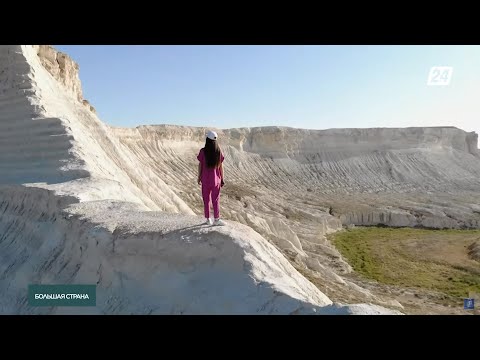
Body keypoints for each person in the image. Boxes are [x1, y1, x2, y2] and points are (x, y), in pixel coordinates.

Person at [197, 130, 226, 226]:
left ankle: (208, 219)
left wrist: (199, 177)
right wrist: (222, 178)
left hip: (205, 180)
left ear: (207, 140)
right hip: (216, 180)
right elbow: (221, 166)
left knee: (206, 200)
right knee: (216, 200)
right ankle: (217, 219)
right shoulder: (218, 152)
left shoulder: (203, 151)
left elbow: (200, 165)